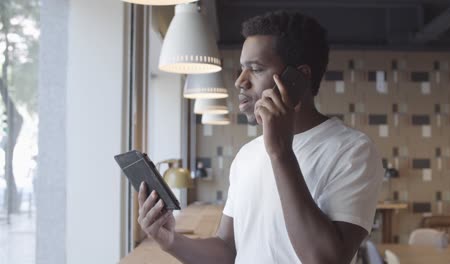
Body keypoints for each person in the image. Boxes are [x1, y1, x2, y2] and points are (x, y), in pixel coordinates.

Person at [137, 10, 383, 264]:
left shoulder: (353, 151)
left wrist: (280, 152)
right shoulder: (247, 155)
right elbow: (227, 249)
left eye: (255, 69)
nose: (240, 82)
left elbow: (325, 260)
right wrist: (172, 241)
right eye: (243, 69)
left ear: (299, 77)